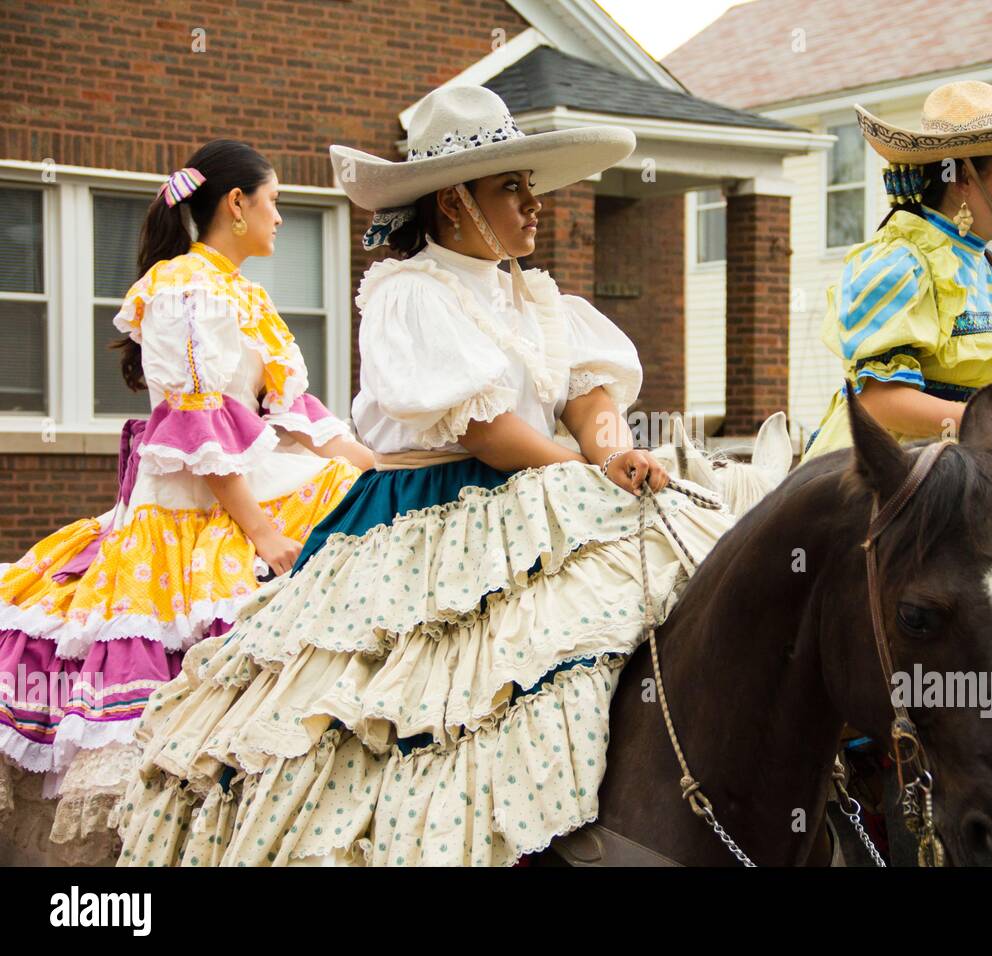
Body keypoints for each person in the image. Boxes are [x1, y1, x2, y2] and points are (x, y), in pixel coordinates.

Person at [115, 87, 734, 866]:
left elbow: (586, 390)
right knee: (415, 706)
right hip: (435, 510)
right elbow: (485, 430)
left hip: (541, 489)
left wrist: (612, 450)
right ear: (453, 203)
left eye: (529, 186)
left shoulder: (535, 294)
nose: (532, 205)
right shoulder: (405, 294)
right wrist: (587, 469)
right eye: (510, 187)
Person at [0, 140, 371, 864]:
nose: (281, 220)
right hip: (194, 509)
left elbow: (294, 415)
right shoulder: (184, 286)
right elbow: (196, 425)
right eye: (274, 202)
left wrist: (385, 468)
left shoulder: (240, 289)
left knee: (360, 501)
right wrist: (261, 532)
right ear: (236, 204)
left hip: (246, 479)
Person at [802, 80, 992, 505]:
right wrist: (984, 422)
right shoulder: (901, 260)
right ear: (965, 176)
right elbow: (878, 402)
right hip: (898, 471)